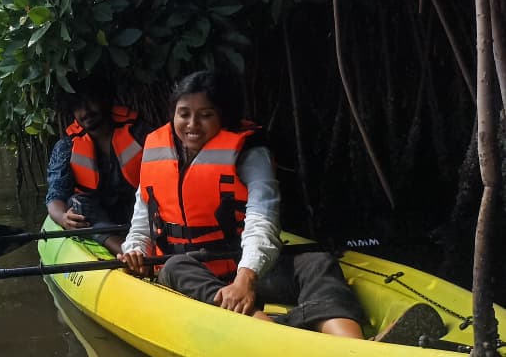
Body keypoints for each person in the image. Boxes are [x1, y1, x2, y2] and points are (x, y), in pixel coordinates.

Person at [117, 69, 373, 339]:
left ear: (223, 116)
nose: (192, 124)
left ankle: (352, 344)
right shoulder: (157, 150)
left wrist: (245, 279)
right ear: (174, 114)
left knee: (316, 262)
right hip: (190, 270)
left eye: (206, 115)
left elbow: (262, 220)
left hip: (245, 265)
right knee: (174, 267)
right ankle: (274, 333)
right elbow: (142, 220)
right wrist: (135, 251)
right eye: (184, 113)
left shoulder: (250, 153)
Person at [45, 78, 150, 253]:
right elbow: (55, 196)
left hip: (139, 211)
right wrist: (63, 218)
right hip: (97, 218)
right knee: (77, 203)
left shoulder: (139, 133)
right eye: (78, 106)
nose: (85, 111)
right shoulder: (66, 147)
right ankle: (122, 249)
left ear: (104, 99)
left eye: (90, 102)